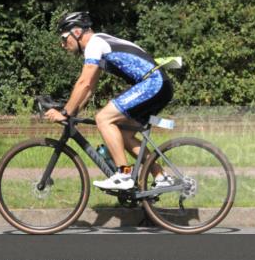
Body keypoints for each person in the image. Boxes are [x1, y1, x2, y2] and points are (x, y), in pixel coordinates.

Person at [45, 11, 174, 190]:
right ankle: (161, 176)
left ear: (76, 32)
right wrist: (73, 113)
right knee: (123, 135)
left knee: (103, 118)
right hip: (159, 85)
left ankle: (123, 174)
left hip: (153, 83)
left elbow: (83, 82)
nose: (62, 44)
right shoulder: (100, 44)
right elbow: (89, 88)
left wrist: (64, 112)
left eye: (64, 37)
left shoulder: (94, 44)